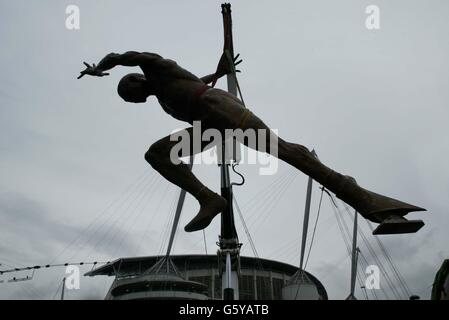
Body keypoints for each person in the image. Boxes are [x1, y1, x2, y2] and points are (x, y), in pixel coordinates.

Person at [78, 51, 424, 233]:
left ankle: (369, 204)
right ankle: (210, 199)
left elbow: (122, 54)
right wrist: (221, 68)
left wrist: (99, 67)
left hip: (220, 110)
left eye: (129, 91)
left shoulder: (159, 68)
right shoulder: (165, 99)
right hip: (208, 127)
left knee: (291, 155)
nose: (131, 99)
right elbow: (203, 78)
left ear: (138, 79)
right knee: (157, 153)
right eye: (127, 100)